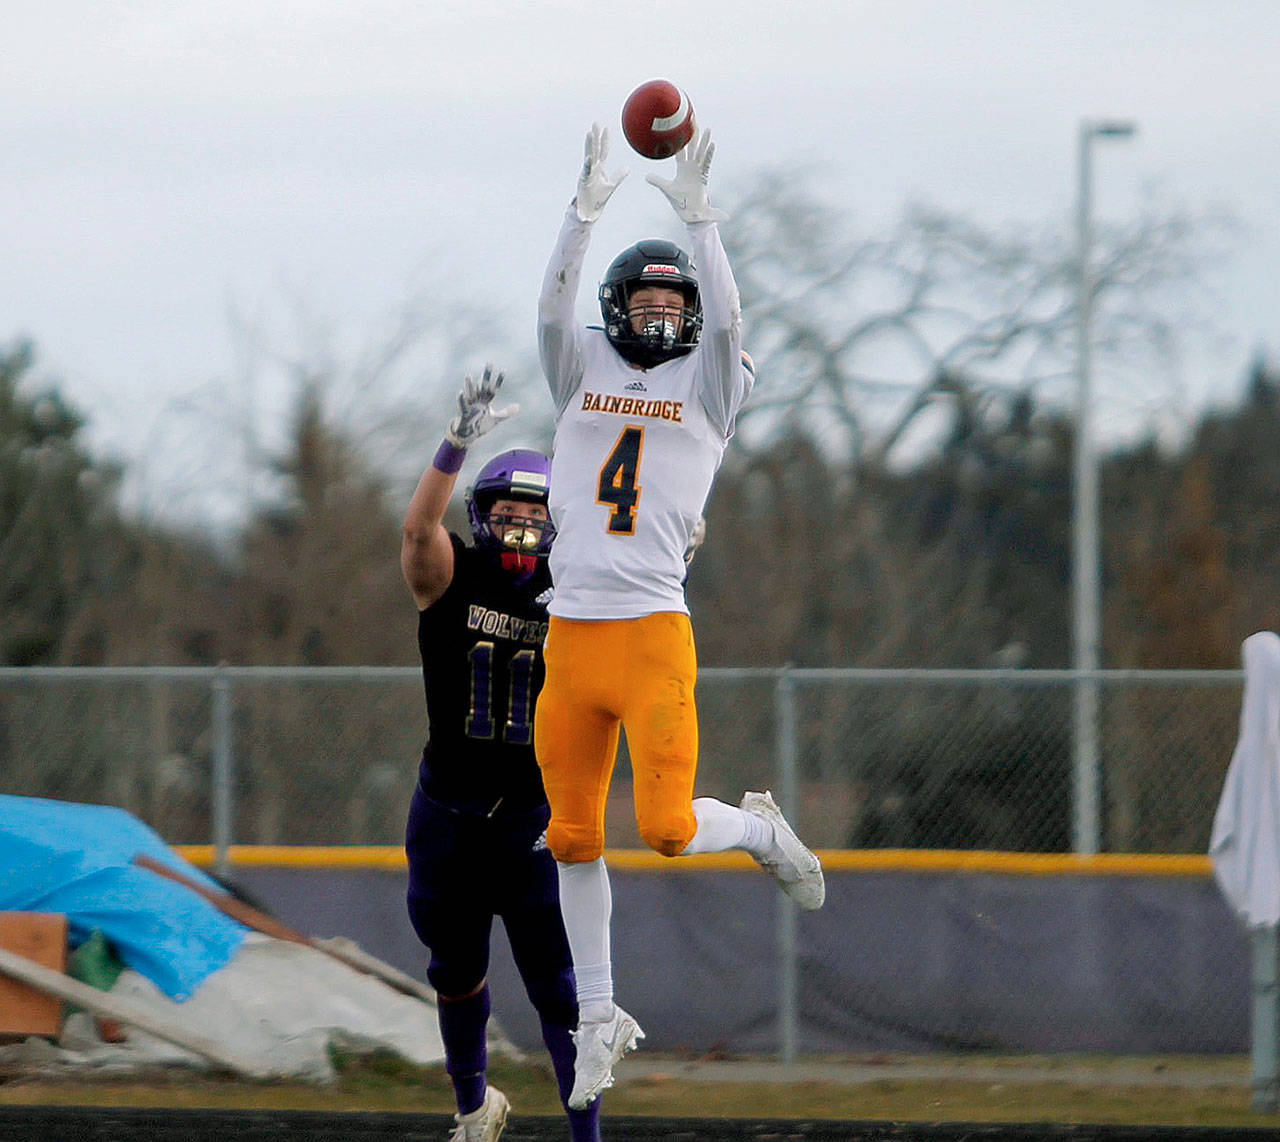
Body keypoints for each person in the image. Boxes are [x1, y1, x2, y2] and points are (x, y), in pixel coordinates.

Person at [533, 124, 827, 1110]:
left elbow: (734, 329)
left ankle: (751, 828)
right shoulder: (579, 369)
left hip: (653, 629)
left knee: (661, 825)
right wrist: (581, 216)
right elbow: (547, 306)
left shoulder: (709, 388)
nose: (660, 316)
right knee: (571, 833)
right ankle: (598, 1014)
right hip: (569, 633)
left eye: (676, 303)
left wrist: (701, 222)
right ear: (616, 309)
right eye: (645, 301)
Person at [401, 366, 602, 1142]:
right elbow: (418, 533)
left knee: (560, 988)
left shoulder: (578, 582)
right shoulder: (454, 573)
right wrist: (453, 447)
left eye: (535, 512)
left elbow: (644, 597)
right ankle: (473, 1110)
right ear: (482, 518)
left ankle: (588, 1138)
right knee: (453, 970)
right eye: (508, 511)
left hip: (532, 822)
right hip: (449, 814)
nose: (522, 524)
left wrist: (669, 544)